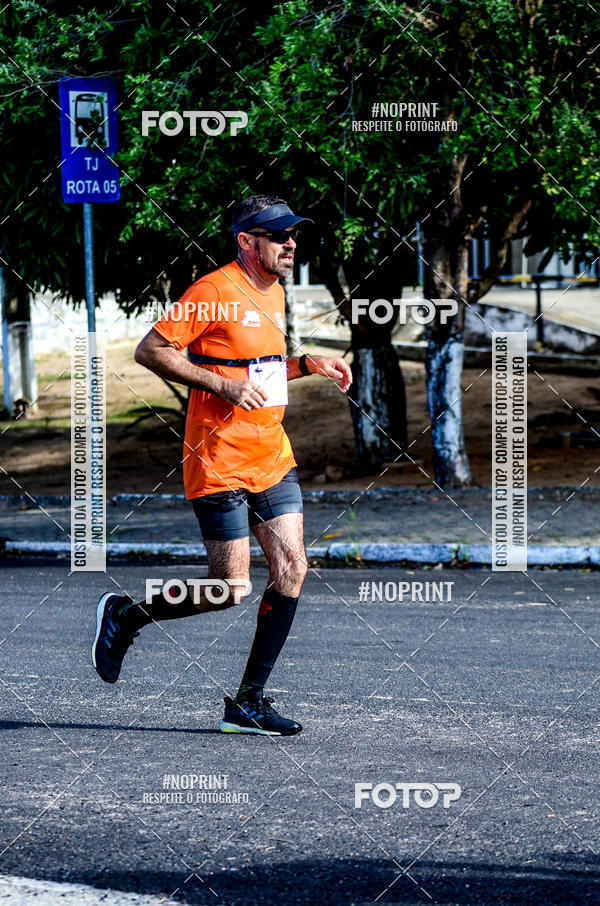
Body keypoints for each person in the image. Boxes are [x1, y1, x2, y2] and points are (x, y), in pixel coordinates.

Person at [92, 195, 352, 736]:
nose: (290, 243)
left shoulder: (274, 290)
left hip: (272, 456)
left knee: (293, 569)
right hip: (216, 461)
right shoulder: (210, 291)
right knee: (228, 589)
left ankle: (248, 702)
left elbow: (260, 367)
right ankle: (125, 615)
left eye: (293, 233)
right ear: (246, 241)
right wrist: (223, 386)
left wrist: (308, 363)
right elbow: (151, 350)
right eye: (279, 234)